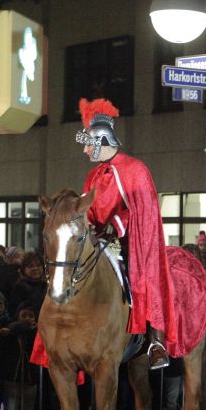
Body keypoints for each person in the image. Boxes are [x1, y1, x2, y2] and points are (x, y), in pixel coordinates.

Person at [76, 97, 176, 369]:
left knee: (144, 277)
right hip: (98, 240)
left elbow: (144, 212)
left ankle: (155, 341)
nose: (85, 150)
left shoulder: (136, 170)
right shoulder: (94, 175)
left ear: (101, 140)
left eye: (88, 143)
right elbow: (87, 208)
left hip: (132, 242)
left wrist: (116, 225)